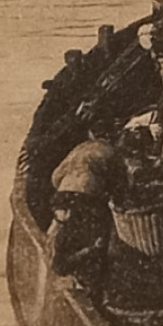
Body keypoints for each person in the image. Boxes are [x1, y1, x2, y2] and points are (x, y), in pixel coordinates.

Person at [48, 117, 124, 287]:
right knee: (97, 240)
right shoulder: (112, 152)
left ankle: (66, 269)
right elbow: (122, 188)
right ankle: (94, 280)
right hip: (86, 199)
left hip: (62, 197)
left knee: (64, 240)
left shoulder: (79, 149)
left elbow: (55, 177)